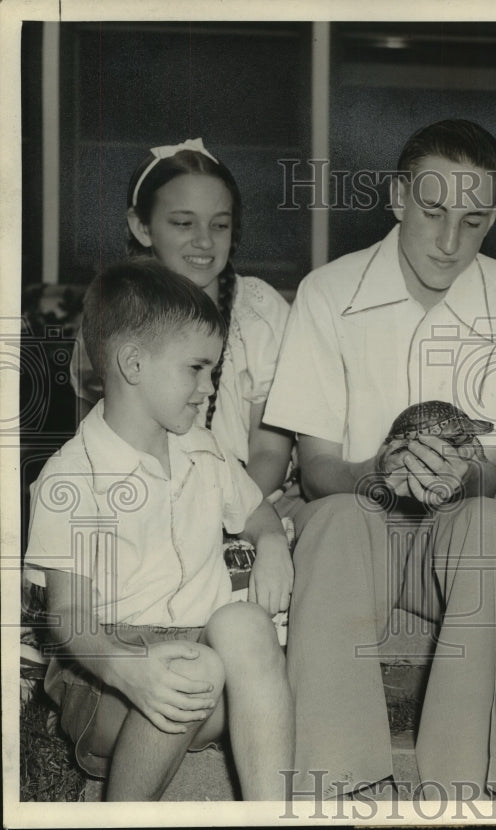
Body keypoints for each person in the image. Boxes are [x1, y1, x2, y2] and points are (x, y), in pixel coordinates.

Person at [264, 119, 496, 798]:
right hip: (353, 543)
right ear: (397, 199)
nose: (451, 241)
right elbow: (316, 468)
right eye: (433, 212)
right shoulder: (328, 294)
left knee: (493, 523)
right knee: (337, 518)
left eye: (474, 220)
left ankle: (467, 789)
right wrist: (377, 476)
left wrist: (461, 478)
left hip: (448, 553)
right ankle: (345, 786)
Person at [24, 260, 294, 801]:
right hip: (110, 681)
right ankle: (124, 811)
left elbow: (257, 512)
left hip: (201, 672)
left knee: (244, 625)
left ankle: (271, 810)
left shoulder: (204, 449)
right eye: (196, 369)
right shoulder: (74, 475)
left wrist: (271, 546)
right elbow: (71, 616)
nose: (208, 388)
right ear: (133, 363)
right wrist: (131, 671)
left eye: (214, 371)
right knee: (199, 665)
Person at [70, 138, 294, 503]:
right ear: (142, 227)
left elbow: (270, 452)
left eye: (219, 226)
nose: (204, 241)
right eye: (183, 223)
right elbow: (90, 434)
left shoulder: (261, 313)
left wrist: (214, 517)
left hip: (250, 501)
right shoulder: (114, 313)